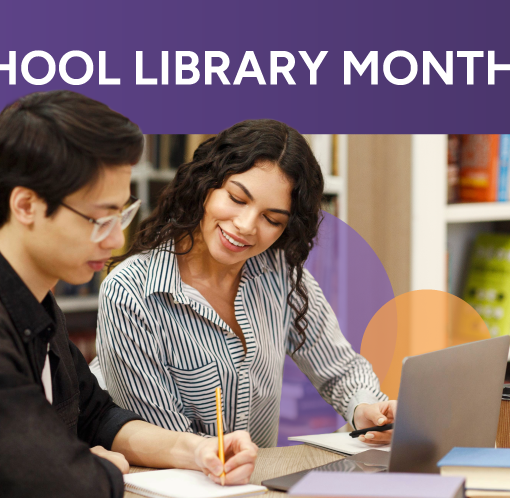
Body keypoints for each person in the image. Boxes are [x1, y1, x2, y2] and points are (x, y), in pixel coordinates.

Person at [0, 91, 257, 498]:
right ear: (26, 205)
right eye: (100, 219)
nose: (116, 240)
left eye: (121, 214)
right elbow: (56, 483)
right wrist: (87, 466)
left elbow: (97, 416)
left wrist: (197, 449)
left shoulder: (34, 300)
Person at [95, 120, 396, 449]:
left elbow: (340, 368)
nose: (246, 226)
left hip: (256, 477)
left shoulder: (279, 271)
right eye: (237, 199)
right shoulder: (130, 292)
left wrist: (365, 408)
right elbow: (165, 442)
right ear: (206, 185)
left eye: (272, 219)